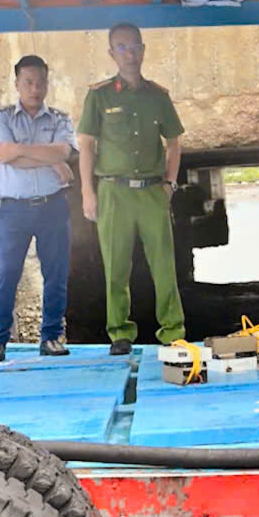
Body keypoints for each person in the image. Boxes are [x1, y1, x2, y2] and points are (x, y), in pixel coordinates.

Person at [77, 22, 187, 355]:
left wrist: (170, 183)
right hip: (114, 191)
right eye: (122, 48)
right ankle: (120, 332)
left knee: (164, 263)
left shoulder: (158, 96)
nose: (129, 54)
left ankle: (172, 329)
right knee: (115, 263)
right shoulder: (99, 95)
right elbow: (86, 146)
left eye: (134, 47)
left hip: (152, 191)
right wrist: (88, 192)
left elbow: (174, 142)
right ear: (112, 54)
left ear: (143, 50)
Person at [0, 55, 77, 362]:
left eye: (40, 82)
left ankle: (50, 337)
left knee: (57, 274)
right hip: (14, 210)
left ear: (47, 84)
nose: (34, 88)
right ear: (17, 84)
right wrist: (50, 159)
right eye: (28, 82)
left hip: (53, 207)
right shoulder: (1, 118)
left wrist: (21, 150)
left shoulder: (60, 119)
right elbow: (4, 156)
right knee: (7, 273)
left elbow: (63, 150)